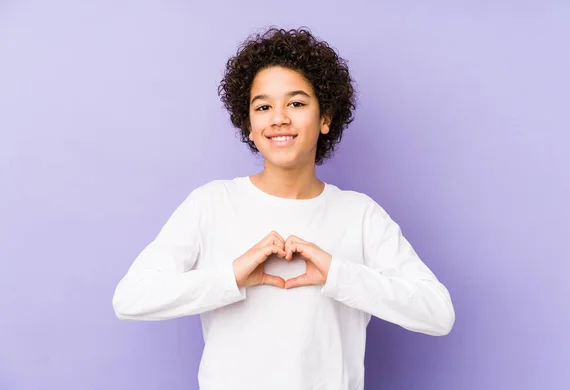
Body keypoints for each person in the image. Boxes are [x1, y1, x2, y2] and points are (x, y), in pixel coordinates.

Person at [112, 27, 455, 390]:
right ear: (249, 124)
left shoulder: (360, 215)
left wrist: (337, 274)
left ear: (325, 119)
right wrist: (231, 277)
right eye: (263, 106)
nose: (279, 118)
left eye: (296, 103)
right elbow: (131, 298)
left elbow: (437, 313)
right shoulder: (211, 204)